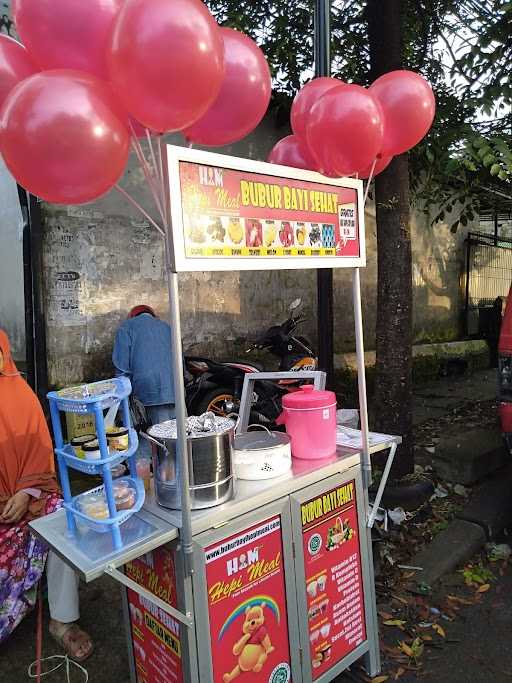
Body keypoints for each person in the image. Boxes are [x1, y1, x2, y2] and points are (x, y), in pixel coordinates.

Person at [0, 329, 92, 661]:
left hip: (28, 501)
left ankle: (62, 620)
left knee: (63, 517)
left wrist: (25, 493)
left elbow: (40, 455)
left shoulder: (22, 398)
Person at [112, 305, 175, 439]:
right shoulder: (167, 327)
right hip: (174, 390)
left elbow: (122, 369)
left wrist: (121, 403)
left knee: (159, 442)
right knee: (179, 439)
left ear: (132, 316)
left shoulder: (126, 328)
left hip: (147, 390)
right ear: (153, 315)